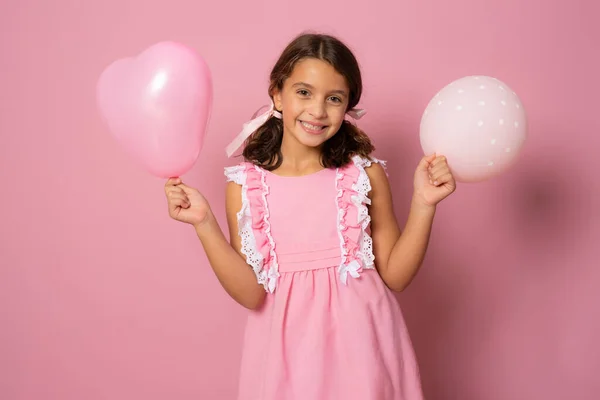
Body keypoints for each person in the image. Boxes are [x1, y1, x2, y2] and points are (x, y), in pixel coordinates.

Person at [164, 32, 456, 400]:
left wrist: (424, 204)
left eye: (334, 98)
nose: (317, 111)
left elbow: (396, 275)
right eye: (304, 92)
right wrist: (204, 223)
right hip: (286, 362)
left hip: (364, 350)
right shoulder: (245, 186)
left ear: (347, 105)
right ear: (277, 93)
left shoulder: (363, 175)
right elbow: (252, 294)